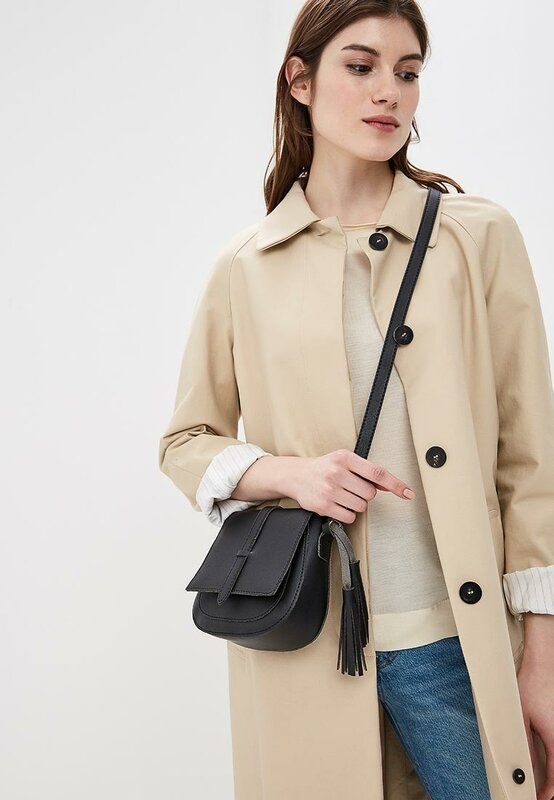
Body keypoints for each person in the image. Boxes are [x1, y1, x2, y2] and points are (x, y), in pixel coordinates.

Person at [158, 2, 554, 799]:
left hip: (458, 642)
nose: (389, 93)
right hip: (306, 648)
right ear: (299, 80)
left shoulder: (477, 239)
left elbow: (532, 459)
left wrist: (541, 658)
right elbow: (186, 440)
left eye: (407, 73)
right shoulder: (247, 266)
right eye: (362, 66)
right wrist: (289, 475)